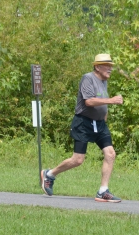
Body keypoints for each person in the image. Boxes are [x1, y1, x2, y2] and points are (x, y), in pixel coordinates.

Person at [41, 53, 124, 203]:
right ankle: (50, 174)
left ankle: (103, 191)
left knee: (110, 154)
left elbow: (101, 103)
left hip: (99, 124)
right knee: (78, 160)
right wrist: (111, 100)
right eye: (107, 65)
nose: (110, 69)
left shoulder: (104, 81)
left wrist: (104, 118)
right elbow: (89, 102)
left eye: (111, 66)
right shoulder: (88, 78)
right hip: (83, 123)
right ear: (97, 67)